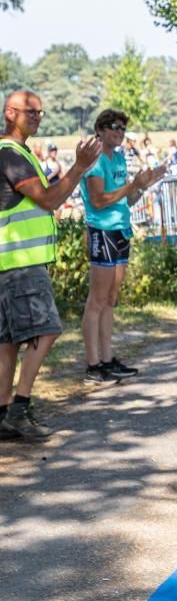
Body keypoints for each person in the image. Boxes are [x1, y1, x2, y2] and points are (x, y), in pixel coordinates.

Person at [0, 90, 101, 440]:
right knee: (47, 329)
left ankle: (4, 413)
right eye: (30, 111)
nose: (37, 117)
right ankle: (19, 408)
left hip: (12, 262)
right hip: (20, 263)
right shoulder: (10, 155)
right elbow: (49, 199)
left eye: (41, 112)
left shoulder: (18, 152)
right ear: (9, 112)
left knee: (9, 341)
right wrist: (79, 166)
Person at [79, 109, 167, 384]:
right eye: (114, 127)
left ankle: (107, 360)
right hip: (102, 231)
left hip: (120, 230)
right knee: (97, 300)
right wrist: (132, 185)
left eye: (122, 129)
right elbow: (98, 200)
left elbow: (125, 201)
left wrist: (144, 186)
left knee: (110, 299)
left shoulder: (117, 157)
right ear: (101, 130)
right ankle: (93, 366)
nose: (119, 132)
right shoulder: (94, 160)